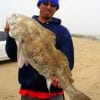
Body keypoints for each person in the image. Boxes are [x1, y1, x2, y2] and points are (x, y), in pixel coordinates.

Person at [4, 0, 74, 100]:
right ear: (39, 5)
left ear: (56, 9)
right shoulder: (26, 26)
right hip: (28, 92)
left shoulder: (63, 32)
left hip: (54, 93)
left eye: (53, 5)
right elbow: (12, 55)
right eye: (45, 3)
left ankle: (74, 94)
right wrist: (10, 35)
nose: (49, 7)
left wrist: (60, 77)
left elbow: (68, 60)